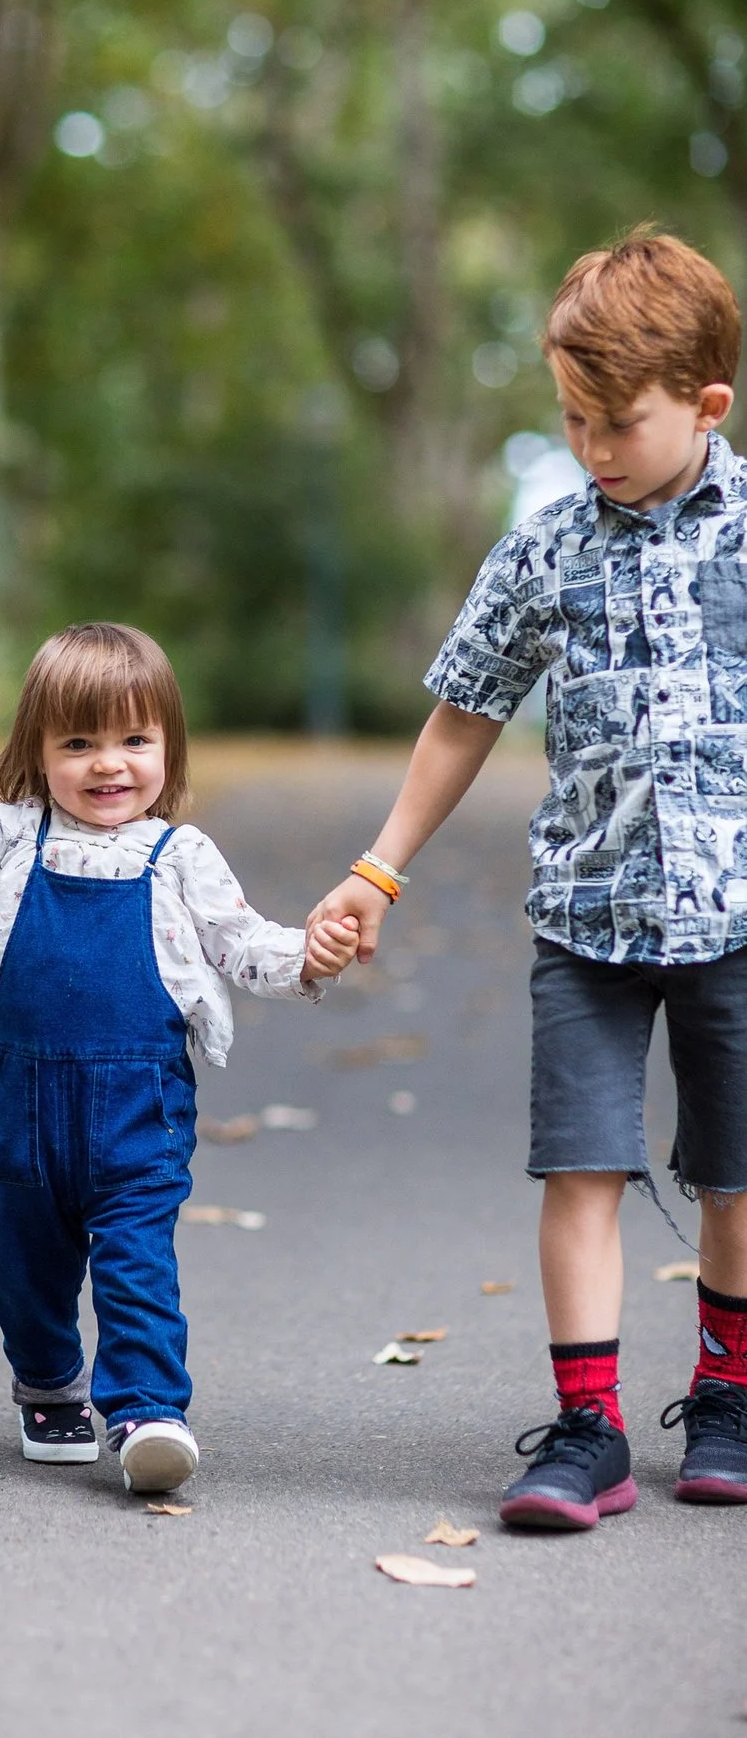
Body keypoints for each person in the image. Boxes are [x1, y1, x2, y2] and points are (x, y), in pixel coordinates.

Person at [309, 227, 747, 1528]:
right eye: (571, 418)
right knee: (581, 1169)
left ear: (707, 405)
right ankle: (591, 1426)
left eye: (621, 420)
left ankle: (727, 1396)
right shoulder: (547, 548)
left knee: (734, 1174)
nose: (592, 445)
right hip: (587, 924)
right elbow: (463, 715)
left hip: (738, 919)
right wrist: (376, 870)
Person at [0, 625, 359, 1492]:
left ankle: (146, 1411)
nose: (108, 765)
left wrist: (307, 955)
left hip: (141, 1107)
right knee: (20, 1267)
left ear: (168, 747)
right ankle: (50, 1384)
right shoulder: (16, 832)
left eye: (135, 740)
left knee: (138, 1264)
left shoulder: (182, 854)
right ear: (38, 752)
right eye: (79, 742)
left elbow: (243, 944)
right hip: (25, 1102)